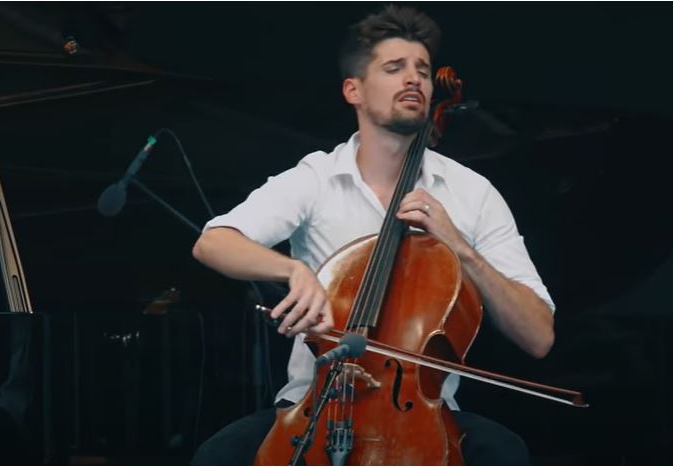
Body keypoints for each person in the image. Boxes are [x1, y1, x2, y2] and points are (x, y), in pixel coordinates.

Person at [191, 5, 555, 465]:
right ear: (354, 90)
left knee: (504, 452)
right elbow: (213, 241)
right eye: (394, 67)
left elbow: (538, 336)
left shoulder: (472, 193)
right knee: (218, 455)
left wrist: (460, 249)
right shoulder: (317, 178)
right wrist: (293, 270)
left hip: (421, 413)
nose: (414, 78)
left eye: (422, 70)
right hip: (313, 404)